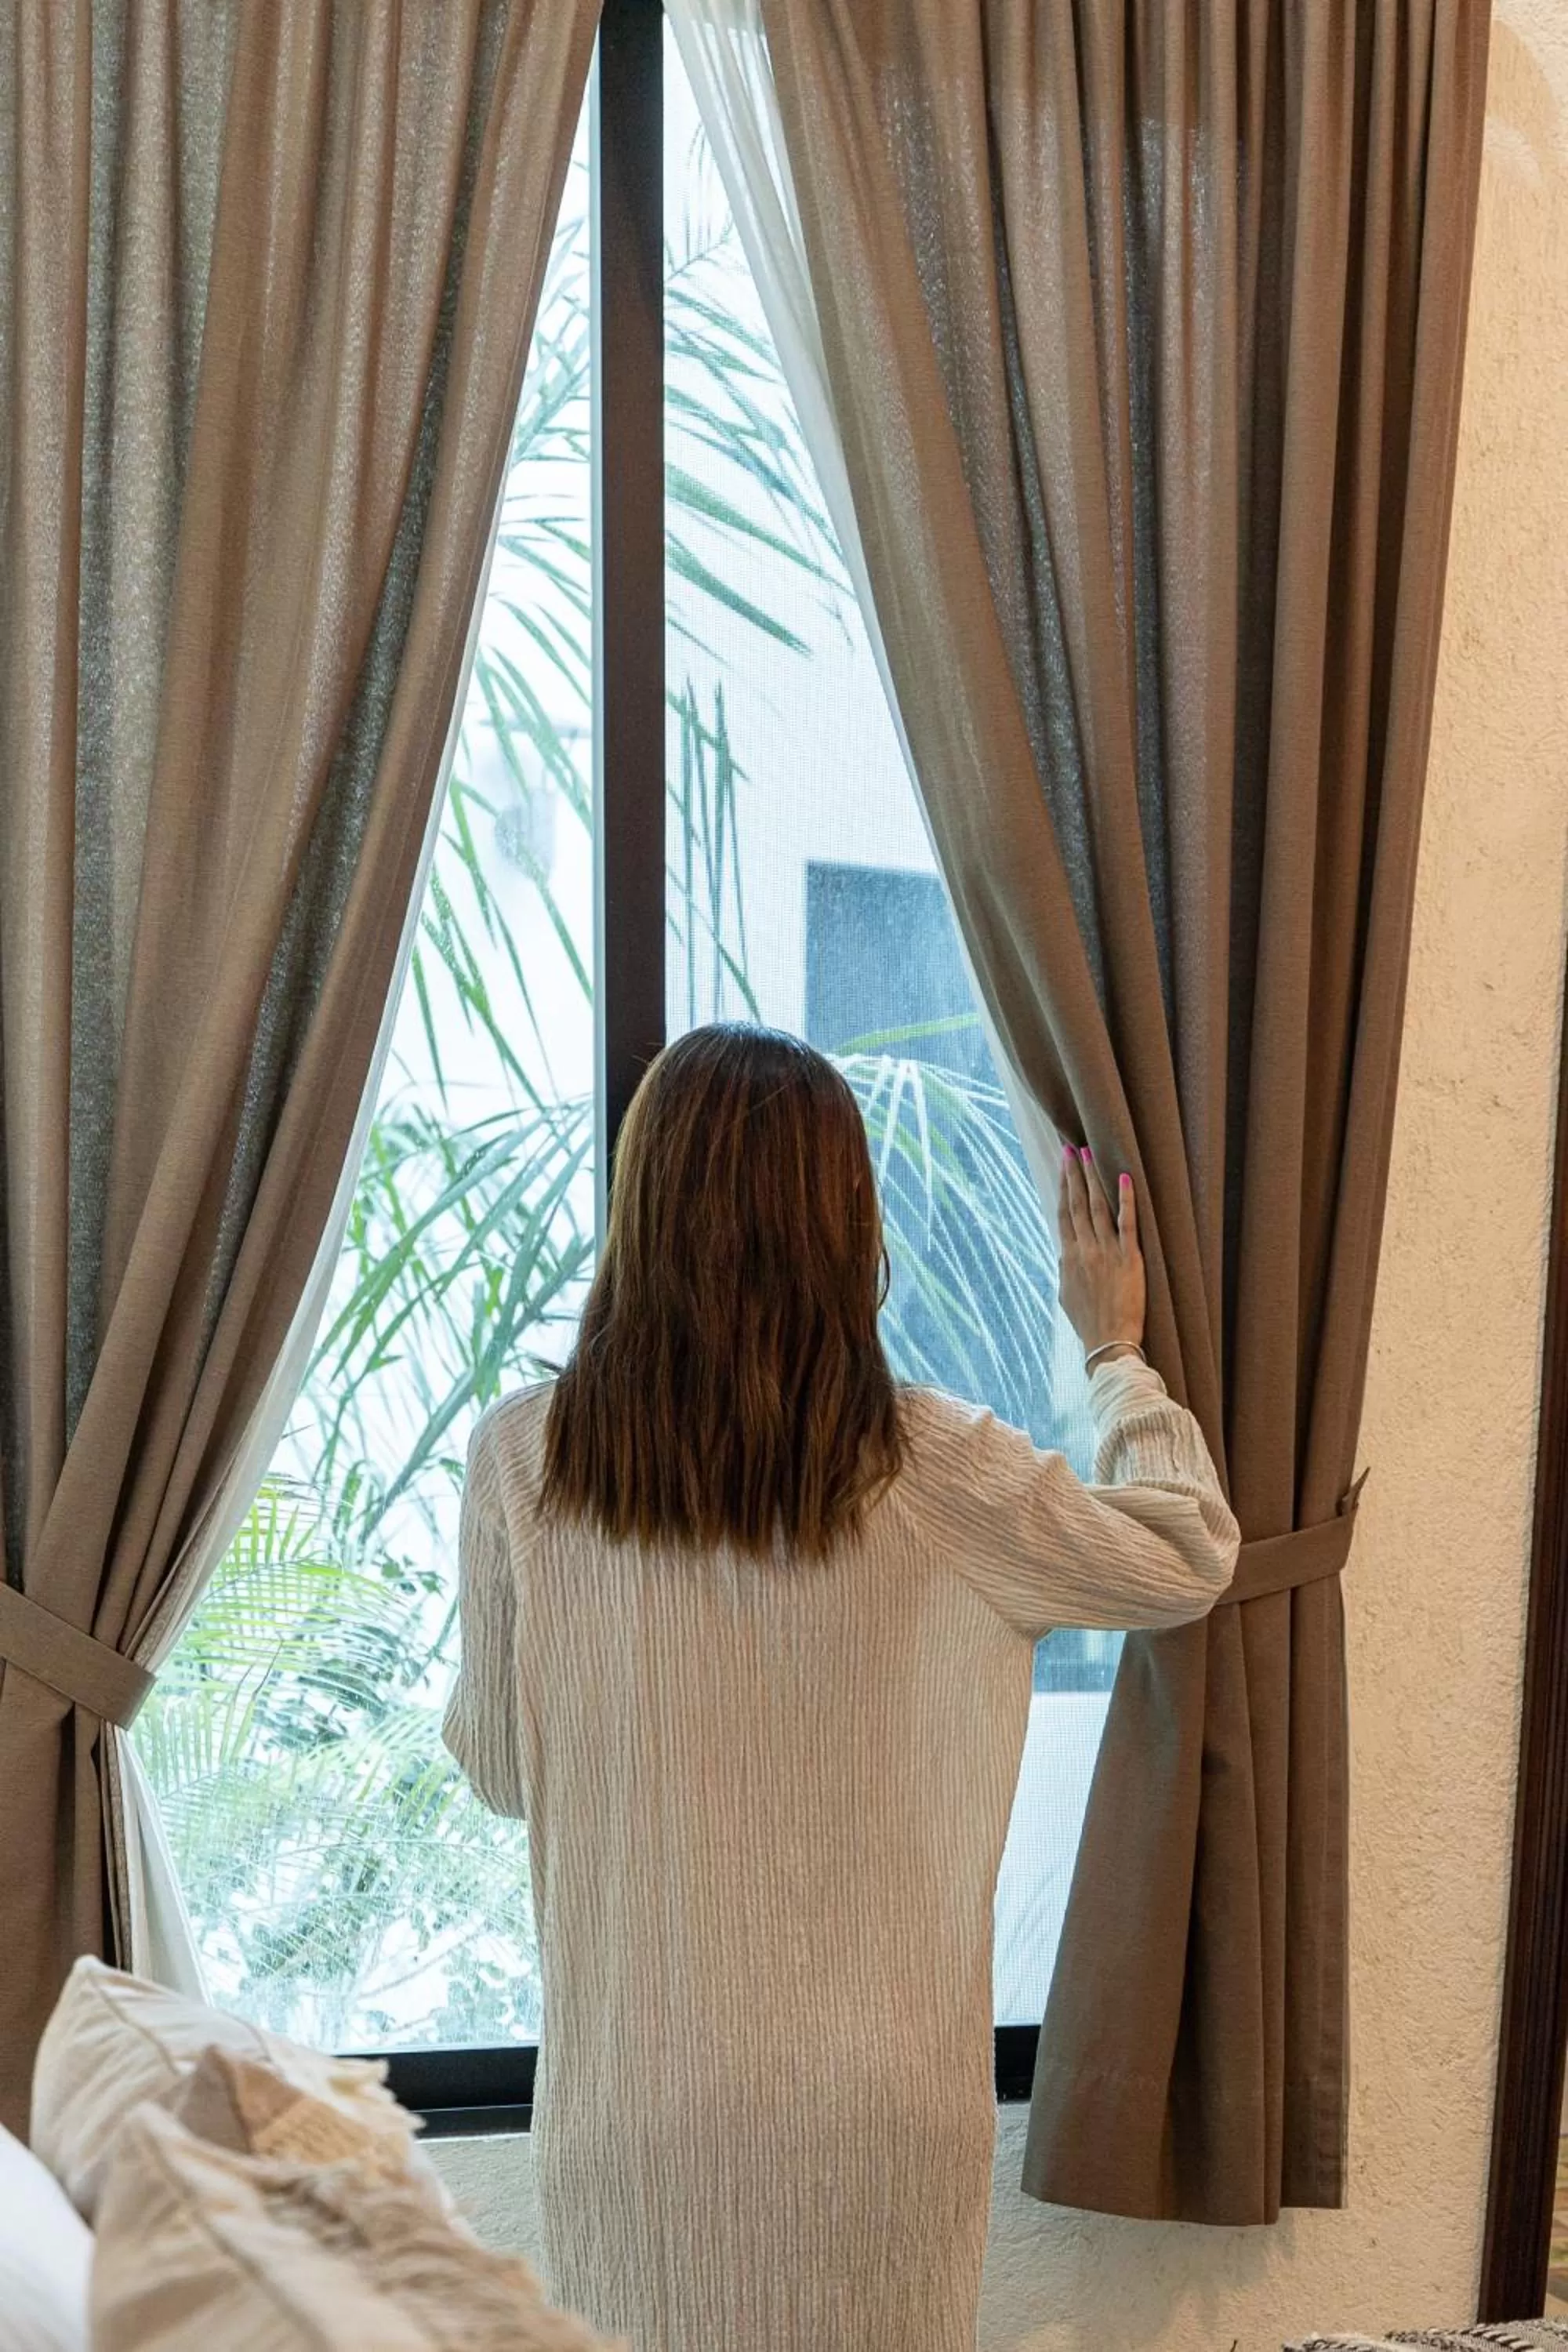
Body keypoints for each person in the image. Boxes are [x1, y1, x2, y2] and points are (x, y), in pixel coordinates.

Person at [444, 1023, 1238, 2352]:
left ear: (642, 1210)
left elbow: (503, 1774)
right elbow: (1190, 1551)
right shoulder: (942, 1465)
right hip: (881, 2119)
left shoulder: (526, 1457)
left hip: (636, 2114)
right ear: (847, 1226)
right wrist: (1113, 1357)